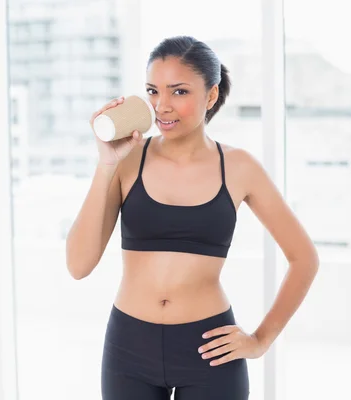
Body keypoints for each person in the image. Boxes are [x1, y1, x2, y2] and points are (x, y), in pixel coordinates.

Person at [66, 36, 319, 400]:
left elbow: (304, 258)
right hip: (129, 348)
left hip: (210, 351)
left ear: (211, 96)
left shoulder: (239, 166)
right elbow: (78, 264)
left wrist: (261, 340)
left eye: (179, 92)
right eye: (153, 91)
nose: (162, 106)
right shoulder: (126, 161)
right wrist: (106, 163)